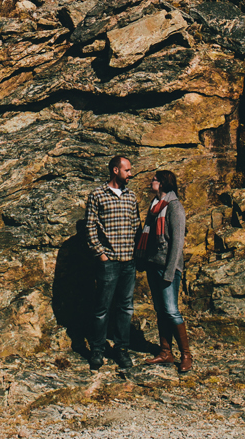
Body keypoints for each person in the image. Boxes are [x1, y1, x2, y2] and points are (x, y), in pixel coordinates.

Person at [84, 154, 141, 369]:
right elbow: (90, 227)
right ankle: (97, 350)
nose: (130, 174)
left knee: (125, 307)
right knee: (102, 308)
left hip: (129, 261)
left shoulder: (131, 196)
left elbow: (136, 225)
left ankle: (121, 349)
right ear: (115, 170)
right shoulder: (98, 195)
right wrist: (100, 253)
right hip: (108, 262)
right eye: (127, 170)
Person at [138, 169, 192, 373]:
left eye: (155, 179)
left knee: (171, 310)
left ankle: (186, 355)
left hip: (168, 267)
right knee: (161, 310)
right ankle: (165, 352)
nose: (152, 181)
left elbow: (177, 243)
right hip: (153, 264)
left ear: (163, 183)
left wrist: (170, 271)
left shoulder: (175, 207)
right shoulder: (154, 206)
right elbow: (148, 235)